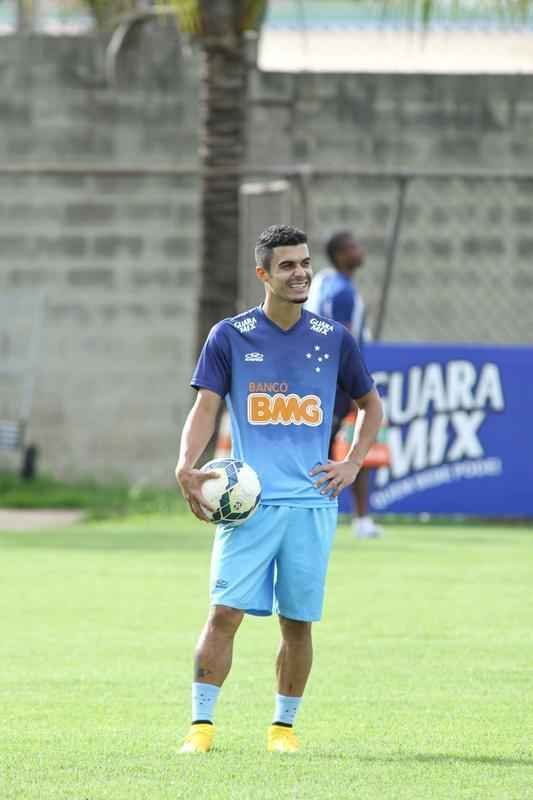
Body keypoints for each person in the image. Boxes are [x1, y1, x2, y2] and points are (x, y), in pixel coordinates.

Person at [175, 224, 383, 754]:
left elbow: (370, 406)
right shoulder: (230, 335)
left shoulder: (333, 339)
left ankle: (282, 730)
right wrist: (186, 464)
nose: (300, 273)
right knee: (224, 613)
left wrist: (353, 462)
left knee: (298, 624)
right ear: (263, 273)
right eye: (287, 265)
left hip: (312, 504)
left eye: (305, 263)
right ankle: (200, 729)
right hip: (249, 507)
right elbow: (205, 407)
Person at [306, 230, 383, 539]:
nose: (360, 250)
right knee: (346, 445)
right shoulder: (341, 292)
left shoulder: (332, 285)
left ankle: (346, 515)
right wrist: (352, 385)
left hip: (331, 380)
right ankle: (332, 514)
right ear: (340, 254)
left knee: (331, 444)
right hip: (338, 382)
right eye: (353, 246)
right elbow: (339, 341)